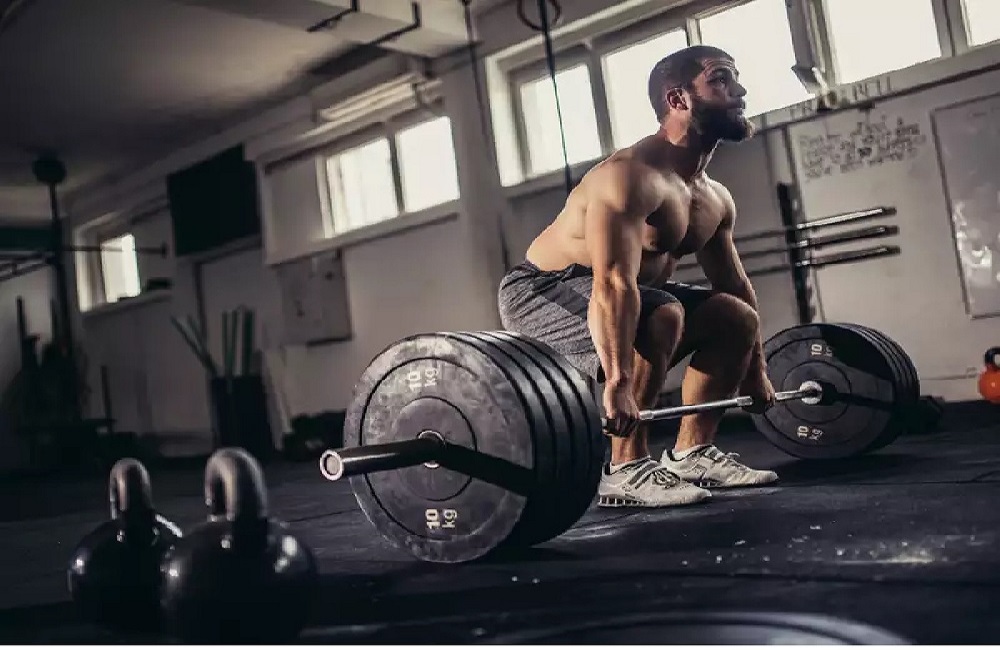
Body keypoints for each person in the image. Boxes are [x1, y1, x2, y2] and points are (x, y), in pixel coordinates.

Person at [497, 45, 780, 508]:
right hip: (542, 290)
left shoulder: (713, 197)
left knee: (735, 316)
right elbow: (612, 282)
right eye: (721, 80)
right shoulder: (629, 176)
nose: (740, 91)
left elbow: (733, 285)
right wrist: (617, 383)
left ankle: (692, 454)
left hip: (632, 294)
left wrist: (756, 370)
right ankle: (625, 468)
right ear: (678, 99)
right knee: (662, 313)